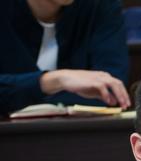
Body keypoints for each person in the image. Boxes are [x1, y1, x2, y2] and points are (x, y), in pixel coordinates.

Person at [0, 0, 130, 115]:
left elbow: (110, 89)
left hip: (77, 134)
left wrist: (18, 92)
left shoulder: (101, 5)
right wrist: (53, 81)